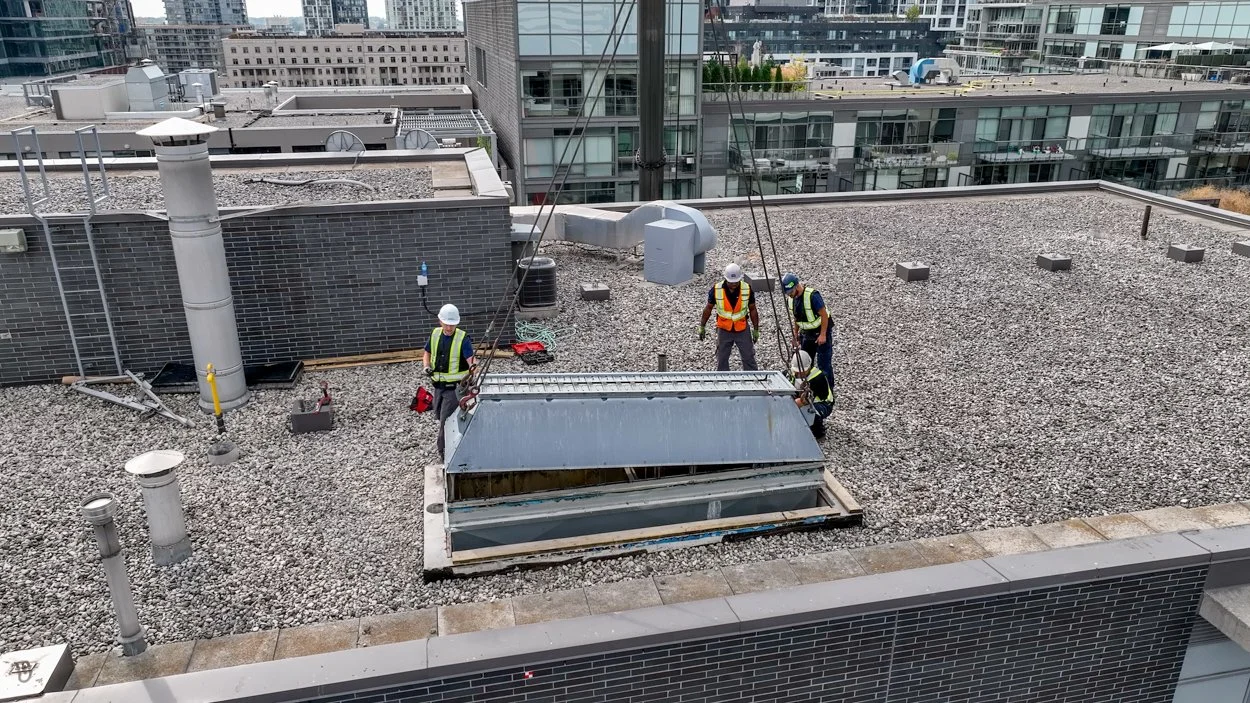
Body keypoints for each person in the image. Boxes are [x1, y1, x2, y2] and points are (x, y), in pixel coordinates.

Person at [422, 303, 476, 461]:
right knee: (439, 415)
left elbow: (472, 362)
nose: (449, 328)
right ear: (440, 322)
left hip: (455, 390)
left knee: (446, 420)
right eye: (446, 324)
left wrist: (472, 372)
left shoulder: (462, 339)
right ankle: (453, 447)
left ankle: (445, 453)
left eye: (452, 325)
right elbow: (427, 352)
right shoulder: (435, 334)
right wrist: (426, 366)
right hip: (438, 387)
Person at [698, 263, 760, 371]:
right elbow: (708, 308)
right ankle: (723, 382)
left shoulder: (747, 289)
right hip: (724, 328)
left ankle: (752, 379)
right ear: (726, 279)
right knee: (722, 358)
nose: (734, 284)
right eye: (731, 282)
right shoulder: (717, 290)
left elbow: (753, 309)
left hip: (742, 328)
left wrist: (756, 329)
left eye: (736, 282)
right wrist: (702, 326)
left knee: (748, 356)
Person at [781, 272, 834, 390]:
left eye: (790, 292)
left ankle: (827, 390)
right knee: (804, 363)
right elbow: (796, 318)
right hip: (806, 334)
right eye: (787, 293)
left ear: (796, 286)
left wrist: (823, 335)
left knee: (824, 365)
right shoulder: (791, 299)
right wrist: (795, 335)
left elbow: (824, 315)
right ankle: (807, 388)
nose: (789, 295)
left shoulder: (812, 296)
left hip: (820, 333)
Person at [790, 350, 834, 438]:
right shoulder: (792, 373)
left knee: (809, 411)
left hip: (823, 404)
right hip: (804, 400)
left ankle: (818, 431)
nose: (800, 373)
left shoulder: (817, 378)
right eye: (797, 372)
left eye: (803, 371)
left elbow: (803, 401)